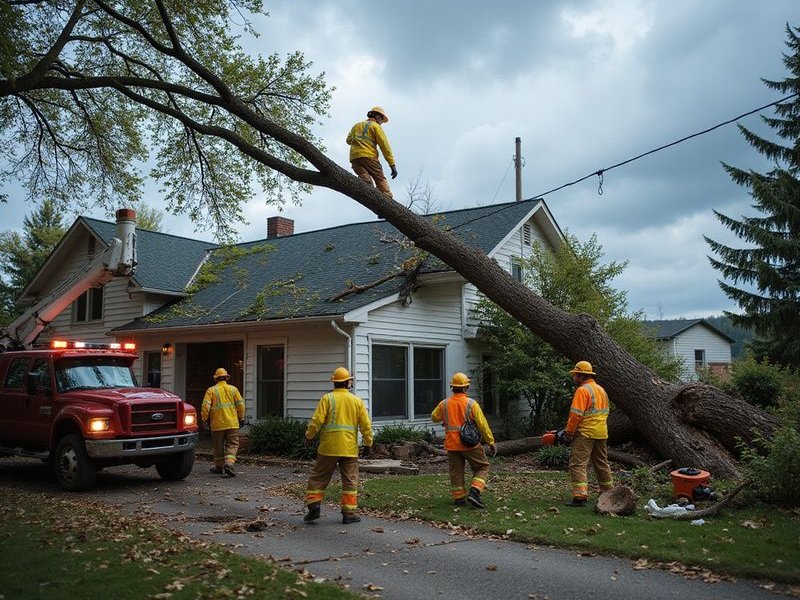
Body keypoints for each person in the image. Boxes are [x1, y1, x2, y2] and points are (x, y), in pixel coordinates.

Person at [303, 367, 373, 524]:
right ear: (348, 382)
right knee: (350, 480)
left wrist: (309, 436)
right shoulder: (357, 401)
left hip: (328, 447)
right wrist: (368, 443)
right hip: (349, 449)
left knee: (319, 476)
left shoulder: (327, 399)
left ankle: (314, 505)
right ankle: (349, 514)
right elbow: (366, 425)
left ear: (334, 382)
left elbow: (316, 421)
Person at [431, 372, 496, 509]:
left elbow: (434, 417)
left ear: (452, 387)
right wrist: (490, 441)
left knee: (456, 472)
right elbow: (482, 424)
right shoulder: (471, 404)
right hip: (470, 444)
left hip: (452, 445)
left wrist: (445, 420)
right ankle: (474, 492)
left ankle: (459, 499)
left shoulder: (444, 404)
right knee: (482, 467)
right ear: (466, 387)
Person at [562, 360, 614, 507]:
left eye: (575, 375)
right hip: (601, 432)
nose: (573, 378)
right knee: (602, 464)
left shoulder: (582, 390)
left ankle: (580, 496)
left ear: (580, 375)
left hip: (585, 433)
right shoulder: (601, 390)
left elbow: (576, 415)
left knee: (577, 464)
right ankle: (607, 492)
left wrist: (569, 432)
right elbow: (605, 412)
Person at [201, 367, 245, 477]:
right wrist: (242, 417)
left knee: (218, 446)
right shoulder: (233, 389)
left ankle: (219, 466)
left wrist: (204, 419)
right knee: (233, 444)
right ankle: (229, 464)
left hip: (217, 424)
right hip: (232, 423)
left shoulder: (211, 390)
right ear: (226, 378)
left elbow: (205, 406)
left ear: (216, 379)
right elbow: (241, 404)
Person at [346, 106, 397, 198]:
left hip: (354, 157)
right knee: (380, 179)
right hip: (369, 156)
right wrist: (392, 165)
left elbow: (348, 140)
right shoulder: (375, 126)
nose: (381, 123)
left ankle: (367, 191)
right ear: (378, 117)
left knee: (366, 180)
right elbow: (385, 146)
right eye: (382, 120)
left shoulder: (356, 125)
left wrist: (358, 140)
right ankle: (387, 198)